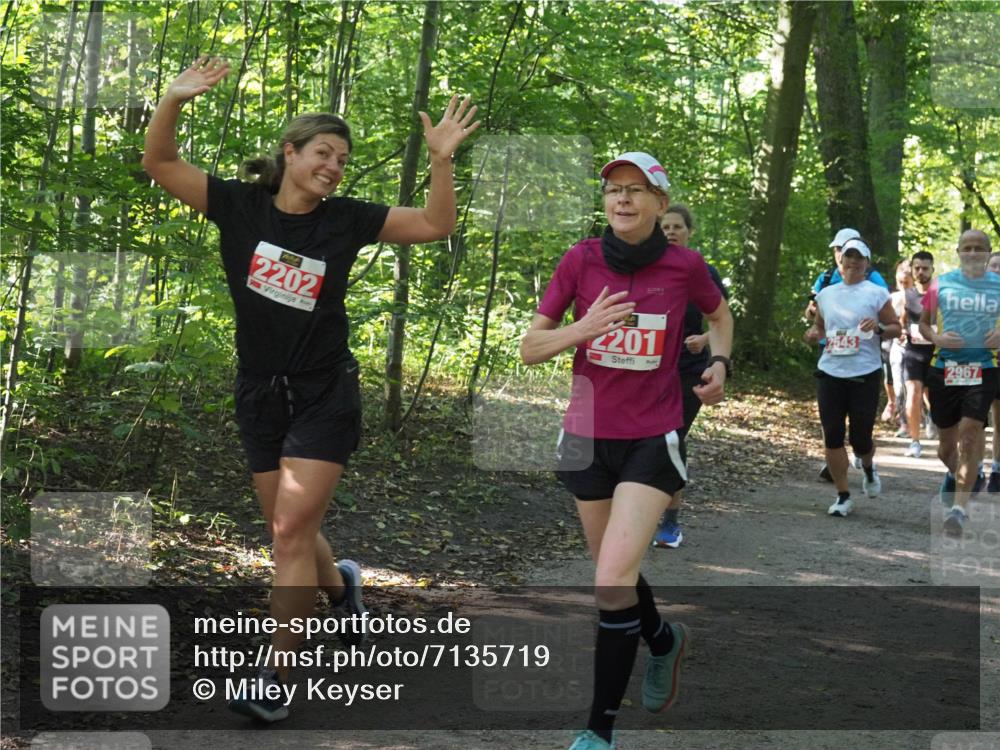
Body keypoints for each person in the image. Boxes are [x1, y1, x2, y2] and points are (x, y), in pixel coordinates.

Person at [142, 56, 480, 722]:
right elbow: (159, 163)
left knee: (290, 537)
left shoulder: (347, 219)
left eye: (343, 159)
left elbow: (436, 225)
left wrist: (441, 160)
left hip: (325, 392)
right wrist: (174, 98)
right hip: (258, 391)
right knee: (287, 529)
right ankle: (343, 586)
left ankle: (275, 681)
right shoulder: (240, 208)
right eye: (323, 152)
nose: (334, 166)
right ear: (289, 153)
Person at [520, 152, 732, 750]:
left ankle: (597, 731)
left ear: (660, 204)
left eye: (637, 190)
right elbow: (531, 348)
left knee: (611, 578)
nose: (623, 199)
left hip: (653, 434)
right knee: (614, 572)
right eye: (614, 189)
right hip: (587, 436)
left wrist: (720, 362)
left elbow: (720, 315)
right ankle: (663, 638)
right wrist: (582, 330)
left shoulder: (685, 265)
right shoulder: (580, 260)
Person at [804, 238, 901, 517]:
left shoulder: (876, 293)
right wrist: (812, 336)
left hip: (865, 372)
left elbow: (896, 327)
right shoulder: (826, 294)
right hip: (830, 371)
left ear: (866, 264)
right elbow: (819, 328)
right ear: (841, 260)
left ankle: (868, 468)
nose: (853, 262)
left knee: (860, 439)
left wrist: (879, 327)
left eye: (859, 258)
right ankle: (843, 495)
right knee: (832, 435)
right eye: (849, 257)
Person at [651, 204, 728, 549]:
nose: (670, 232)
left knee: (672, 438)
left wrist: (705, 340)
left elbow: (722, 320)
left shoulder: (702, 271)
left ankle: (670, 521)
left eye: (677, 227)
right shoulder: (648, 268)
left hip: (686, 368)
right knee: (645, 441)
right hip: (648, 369)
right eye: (664, 226)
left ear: (689, 231)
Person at [919, 230, 1000, 536]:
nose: (973, 252)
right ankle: (965, 478)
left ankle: (959, 509)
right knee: (945, 448)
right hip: (944, 369)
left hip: (983, 367)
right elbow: (923, 324)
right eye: (967, 247)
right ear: (958, 252)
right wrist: (938, 338)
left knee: (969, 434)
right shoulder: (941, 284)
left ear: (989, 253)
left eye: (980, 248)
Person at [901, 251, 937, 458]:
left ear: (932, 269)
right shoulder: (907, 294)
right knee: (913, 394)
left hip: (936, 353)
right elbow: (901, 320)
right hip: (913, 352)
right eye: (917, 268)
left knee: (935, 399)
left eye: (925, 268)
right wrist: (901, 331)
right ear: (912, 270)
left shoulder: (940, 294)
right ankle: (915, 441)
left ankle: (933, 416)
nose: (921, 272)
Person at [884, 259, 912, 428]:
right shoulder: (890, 299)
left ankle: (930, 417)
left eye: (908, 274)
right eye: (901, 273)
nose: (904, 277)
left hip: (919, 348)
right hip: (895, 346)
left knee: (921, 389)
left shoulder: (923, 298)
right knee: (898, 385)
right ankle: (904, 422)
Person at [989, 251, 1000, 491]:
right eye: (994, 266)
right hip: (977, 365)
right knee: (972, 423)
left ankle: (996, 469)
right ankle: (972, 469)